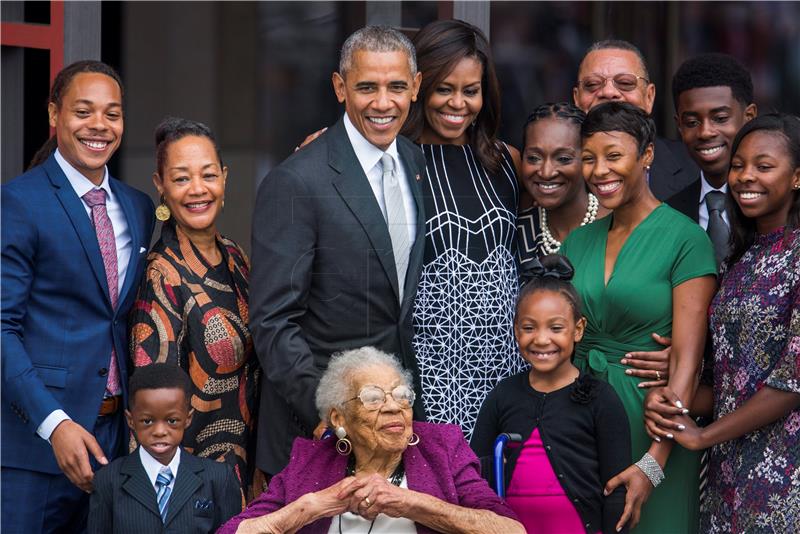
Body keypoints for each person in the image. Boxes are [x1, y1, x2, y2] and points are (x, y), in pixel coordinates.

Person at [250, 26, 428, 477]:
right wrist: (330, 413)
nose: (383, 103)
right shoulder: (296, 182)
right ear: (340, 87)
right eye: (367, 86)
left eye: (396, 87)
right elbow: (274, 321)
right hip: (318, 435)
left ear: (416, 87)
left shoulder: (414, 162)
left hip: (395, 428)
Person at [1, 60, 154, 532]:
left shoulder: (139, 207)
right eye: (83, 111)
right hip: (34, 447)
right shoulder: (19, 202)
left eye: (112, 114)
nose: (99, 126)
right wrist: (55, 424)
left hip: (114, 444)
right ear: (54, 114)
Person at [560, 101, 717, 532]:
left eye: (614, 156)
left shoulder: (687, 240)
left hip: (650, 423)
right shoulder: (577, 242)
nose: (599, 171)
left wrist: (654, 463)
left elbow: (685, 361)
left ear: (646, 155)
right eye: (588, 158)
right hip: (579, 420)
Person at [644, 113, 800, 534]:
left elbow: (791, 382)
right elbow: (731, 380)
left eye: (764, 167)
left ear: (797, 177)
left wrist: (701, 437)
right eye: (738, 165)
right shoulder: (740, 259)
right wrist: (674, 401)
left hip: (785, 475)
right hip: (728, 474)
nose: (745, 176)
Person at [219, 347, 524, 534]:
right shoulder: (311, 461)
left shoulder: (441, 447)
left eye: (402, 395)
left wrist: (410, 503)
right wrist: (313, 506)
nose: (394, 407)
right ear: (339, 418)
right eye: (374, 398)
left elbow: (510, 530)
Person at [398, 18, 525, 439]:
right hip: (427, 380)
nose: (458, 104)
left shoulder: (506, 160)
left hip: (505, 375)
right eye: (444, 89)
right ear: (420, 88)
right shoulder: (394, 163)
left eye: (470, 91)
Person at [128, 117, 259, 495]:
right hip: (192, 484)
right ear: (161, 187)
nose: (198, 190)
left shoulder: (234, 256)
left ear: (225, 177)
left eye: (208, 175)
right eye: (182, 178)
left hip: (243, 469)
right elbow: (153, 409)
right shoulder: (163, 275)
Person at [472, 255, 631, 534]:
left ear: (578, 329)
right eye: (529, 328)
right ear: (515, 330)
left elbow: (617, 489)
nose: (542, 339)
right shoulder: (502, 396)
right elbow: (471, 473)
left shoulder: (600, 398)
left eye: (556, 328)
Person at [88, 364, 241, 533]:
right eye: (147, 421)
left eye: (172, 420)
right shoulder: (108, 481)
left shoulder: (219, 478)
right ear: (130, 420)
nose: (160, 432)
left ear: (188, 418)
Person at [573, 39, 698, 201]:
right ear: (576, 98)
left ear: (649, 96)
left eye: (625, 83)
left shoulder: (694, 167)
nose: (609, 92)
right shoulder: (557, 171)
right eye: (592, 84)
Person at [667, 53, 757, 268]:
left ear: (749, 117)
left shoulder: (779, 206)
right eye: (691, 122)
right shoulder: (668, 213)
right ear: (679, 126)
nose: (705, 132)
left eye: (720, 118)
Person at [516, 102, 609, 261]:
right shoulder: (514, 231)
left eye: (563, 159)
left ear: (587, 159)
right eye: (533, 158)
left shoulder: (615, 228)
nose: (546, 172)